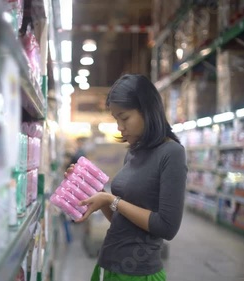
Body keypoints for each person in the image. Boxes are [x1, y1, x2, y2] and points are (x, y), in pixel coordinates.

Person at [65, 74, 187, 281]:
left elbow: (167, 227)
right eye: (116, 119)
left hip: (138, 273)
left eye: (124, 117)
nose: (120, 127)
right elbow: (121, 219)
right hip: (108, 264)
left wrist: (112, 200)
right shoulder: (134, 151)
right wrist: (98, 195)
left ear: (147, 110)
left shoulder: (172, 153)